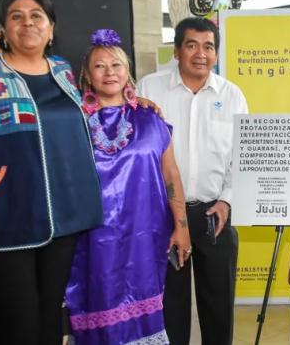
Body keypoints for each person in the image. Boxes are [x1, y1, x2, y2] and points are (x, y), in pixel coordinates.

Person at [0, 0, 103, 345]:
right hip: (6, 222)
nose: (28, 23)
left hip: (65, 220)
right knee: (19, 326)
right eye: (17, 16)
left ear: (51, 27)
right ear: (3, 26)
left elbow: (100, 107)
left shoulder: (62, 72)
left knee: (50, 321)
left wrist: (144, 103)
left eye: (36, 16)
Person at [64, 29, 190, 345]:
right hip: (92, 239)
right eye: (100, 66)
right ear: (87, 75)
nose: (109, 73)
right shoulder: (72, 121)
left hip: (144, 237)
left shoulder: (151, 118)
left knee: (146, 307)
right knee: (97, 305)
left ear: (127, 72)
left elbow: (171, 175)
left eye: (116, 65)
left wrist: (182, 225)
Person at [138, 17, 247, 345]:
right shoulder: (150, 88)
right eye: (192, 45)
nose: (201, 53)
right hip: (165, 216)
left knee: (218, 306)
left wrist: (227, 200)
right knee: (170, 305)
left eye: (209, 46)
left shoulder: (232, 95)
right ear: (176, 51)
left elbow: (241, 157)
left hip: (214, 213)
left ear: (217, 53)